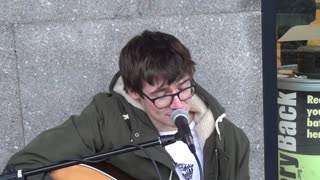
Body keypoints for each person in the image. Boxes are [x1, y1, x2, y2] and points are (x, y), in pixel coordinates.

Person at [1, 30, 250, 180]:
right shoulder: (107, 118)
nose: (178, 103)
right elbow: (21, 168)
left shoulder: (229, 139)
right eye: (162, 94)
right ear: (134, 92)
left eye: (183, 87)